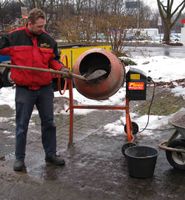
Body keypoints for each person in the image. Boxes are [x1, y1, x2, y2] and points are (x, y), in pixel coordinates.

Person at [0, 8, 69, 171]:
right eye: (39, 26)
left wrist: (61, 68)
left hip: (45, 89)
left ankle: (51, 154)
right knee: (21, 125)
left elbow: (54, 60)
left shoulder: (48, 40)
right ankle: (19, 159)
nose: (42, 29)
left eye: (43, 26)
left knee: (49, 123)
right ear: (29, 23)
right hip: (24, 89)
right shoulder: (13, 38)